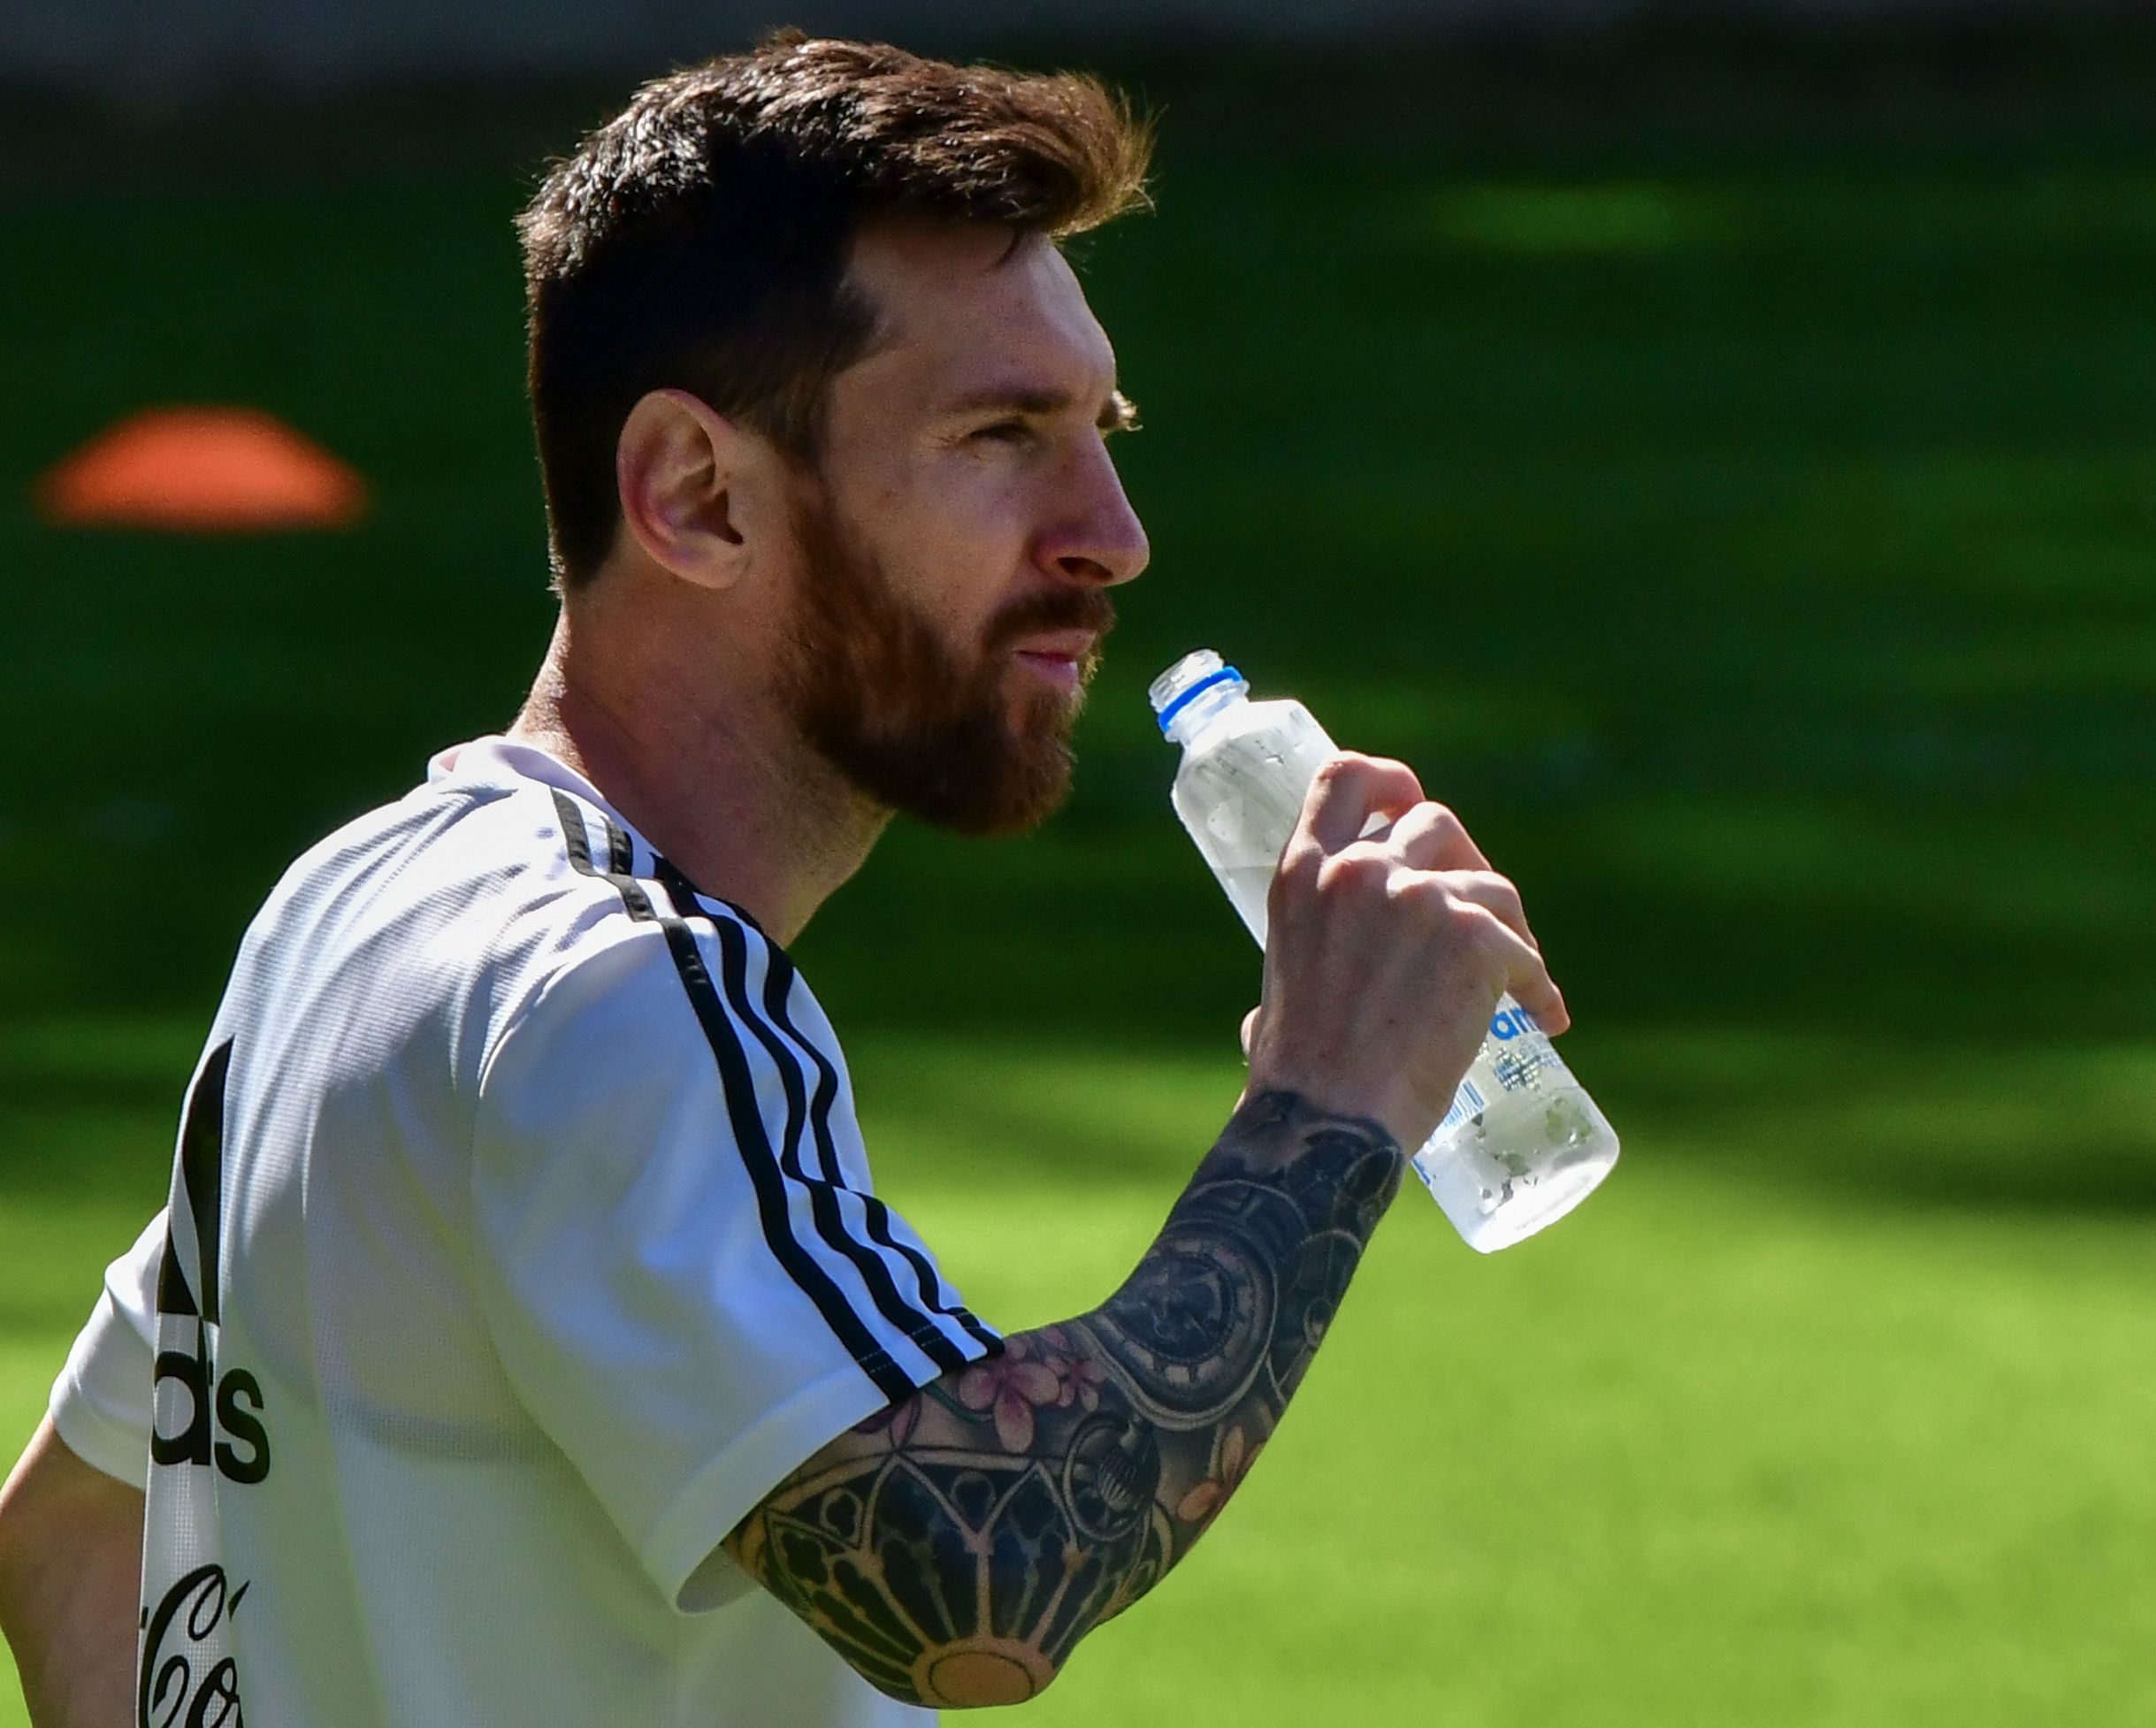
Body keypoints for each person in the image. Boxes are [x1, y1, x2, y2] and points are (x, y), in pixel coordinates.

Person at [0, 32, 1568, 1728]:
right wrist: (1327, 1103)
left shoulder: (352, 909)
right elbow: (981, 1573)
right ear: (696, 494)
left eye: (1098, 429)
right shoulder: (613, 987)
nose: (1110, 530)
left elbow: (77, 1534)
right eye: (1000, 434)